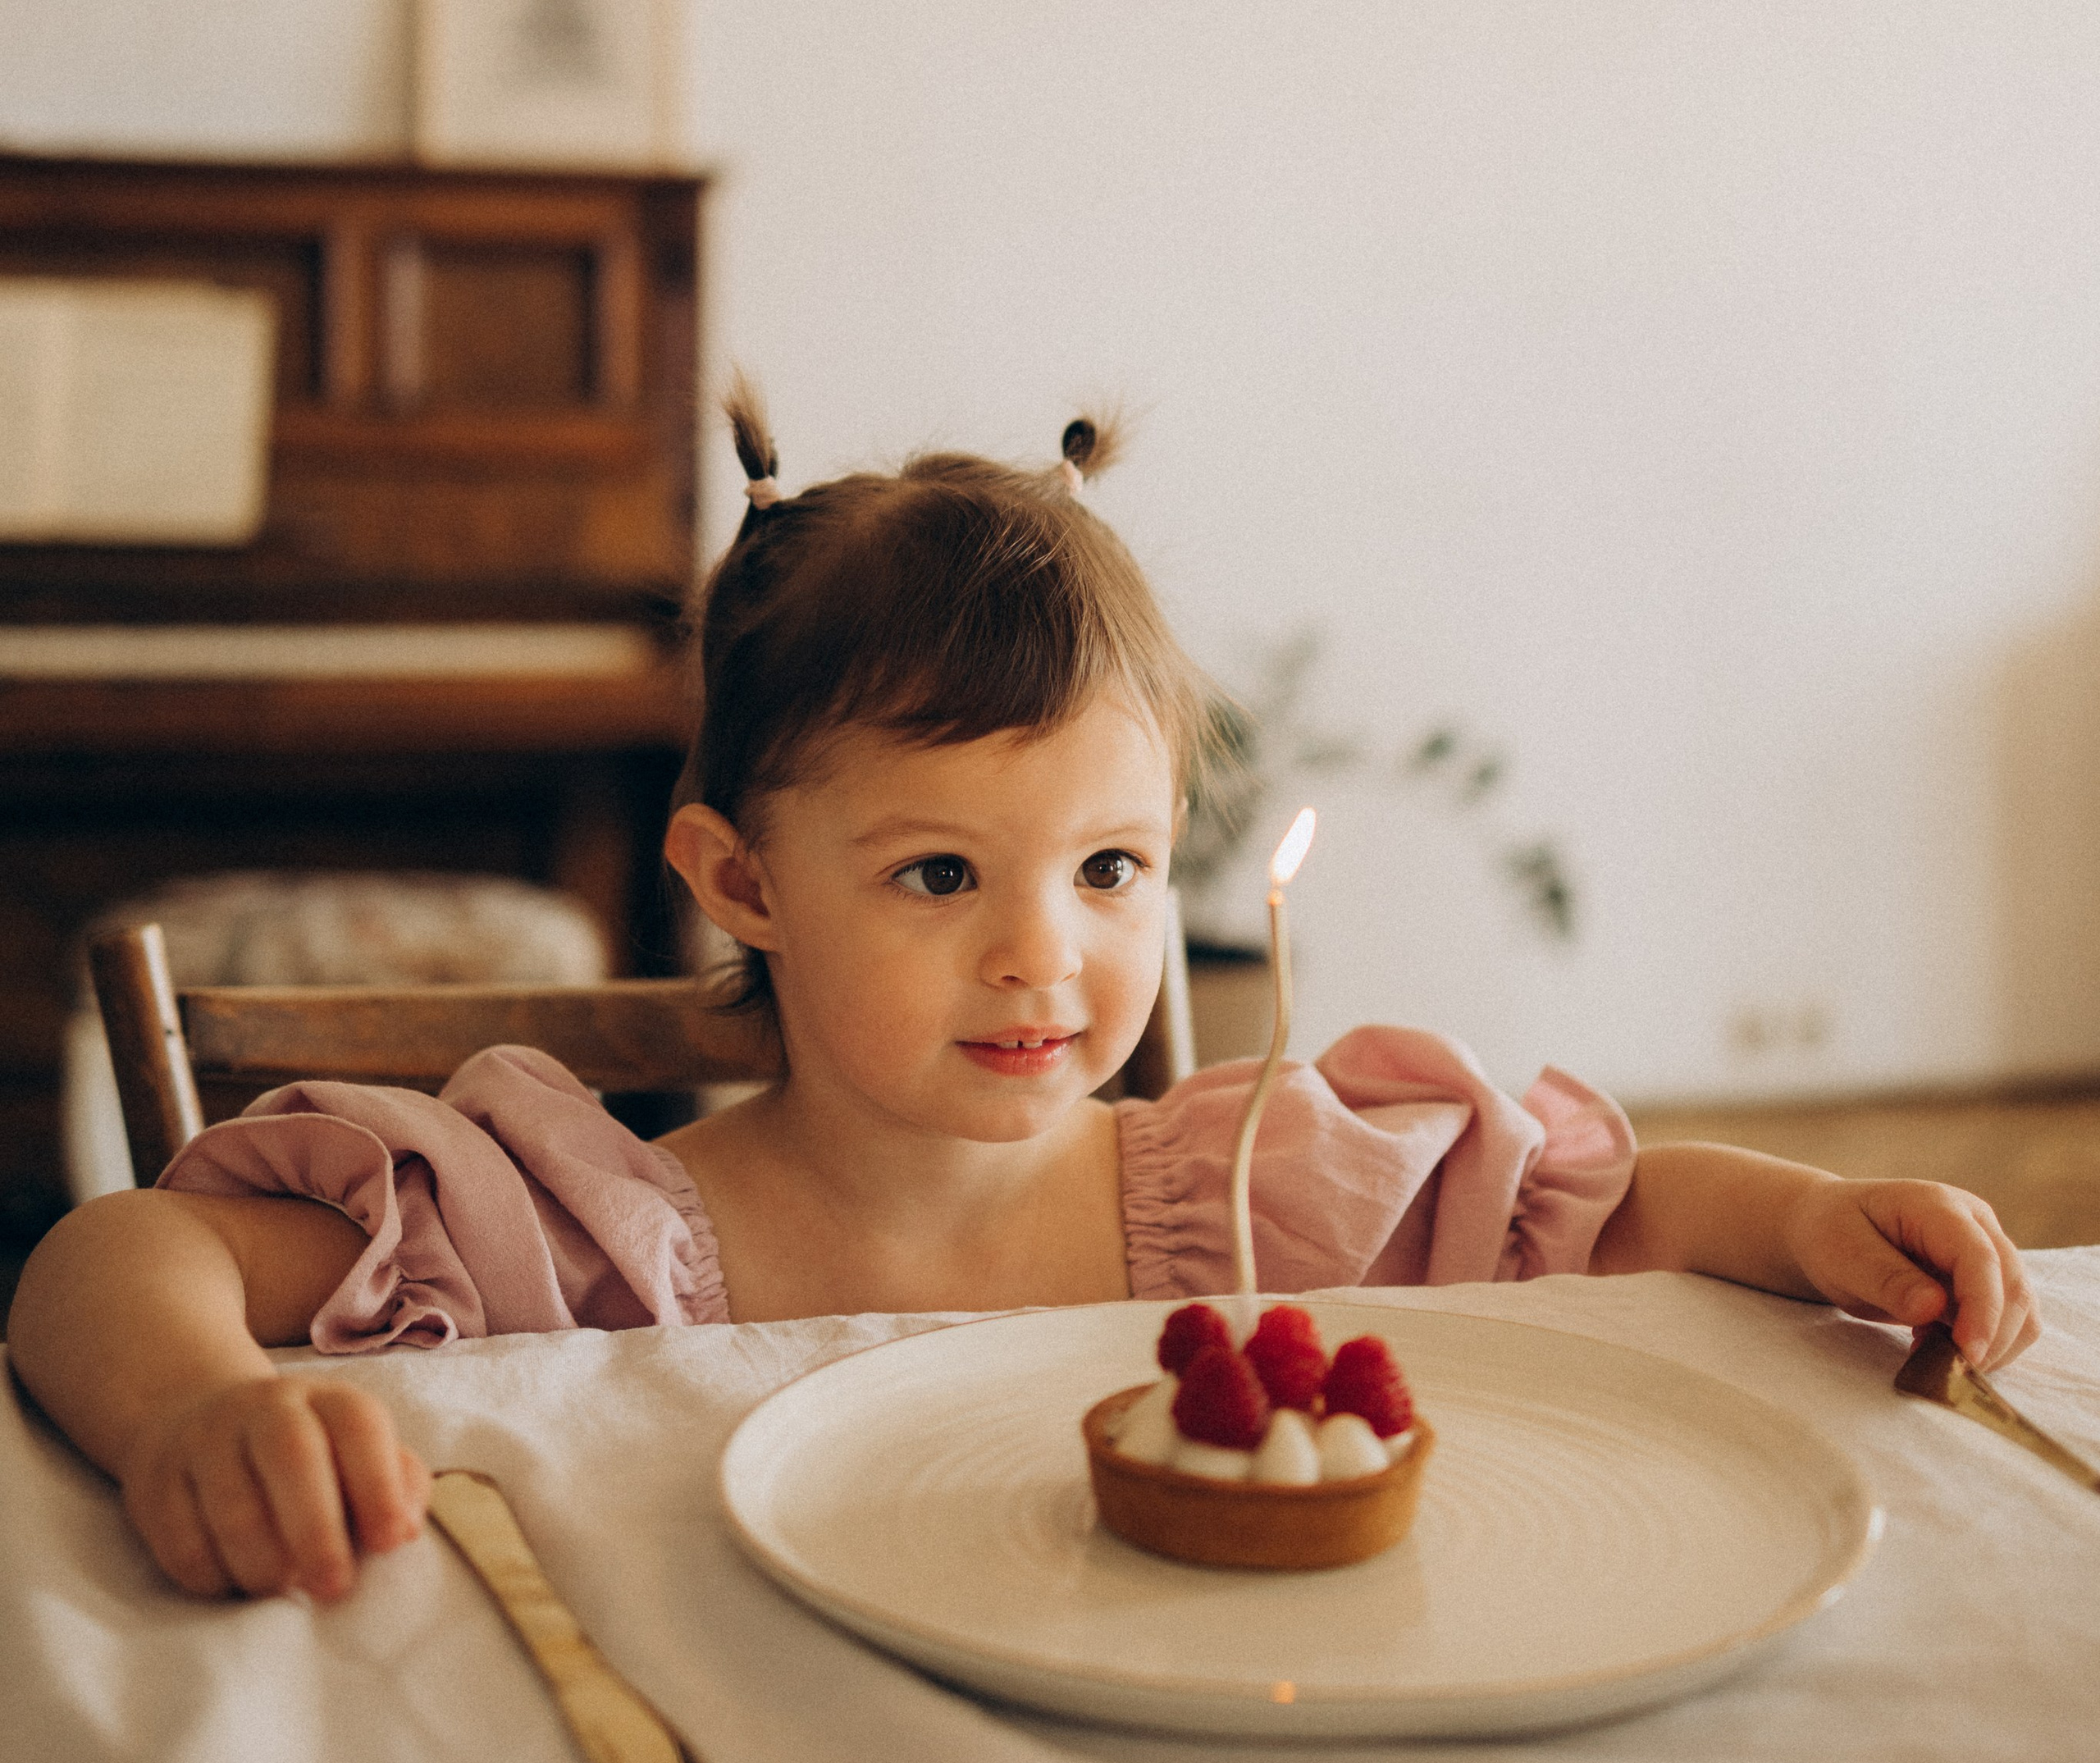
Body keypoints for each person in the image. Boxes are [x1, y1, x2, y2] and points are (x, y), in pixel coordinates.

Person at [9, 388, 2038, 1607]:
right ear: (737, 880)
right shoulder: (574, 1241)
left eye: (1108, 872)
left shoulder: (1258, 1200)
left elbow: (1610, 1216)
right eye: (935, 874)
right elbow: (114, 1256)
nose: (1040, 957)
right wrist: (196, 1404)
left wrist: (1802, 1216)